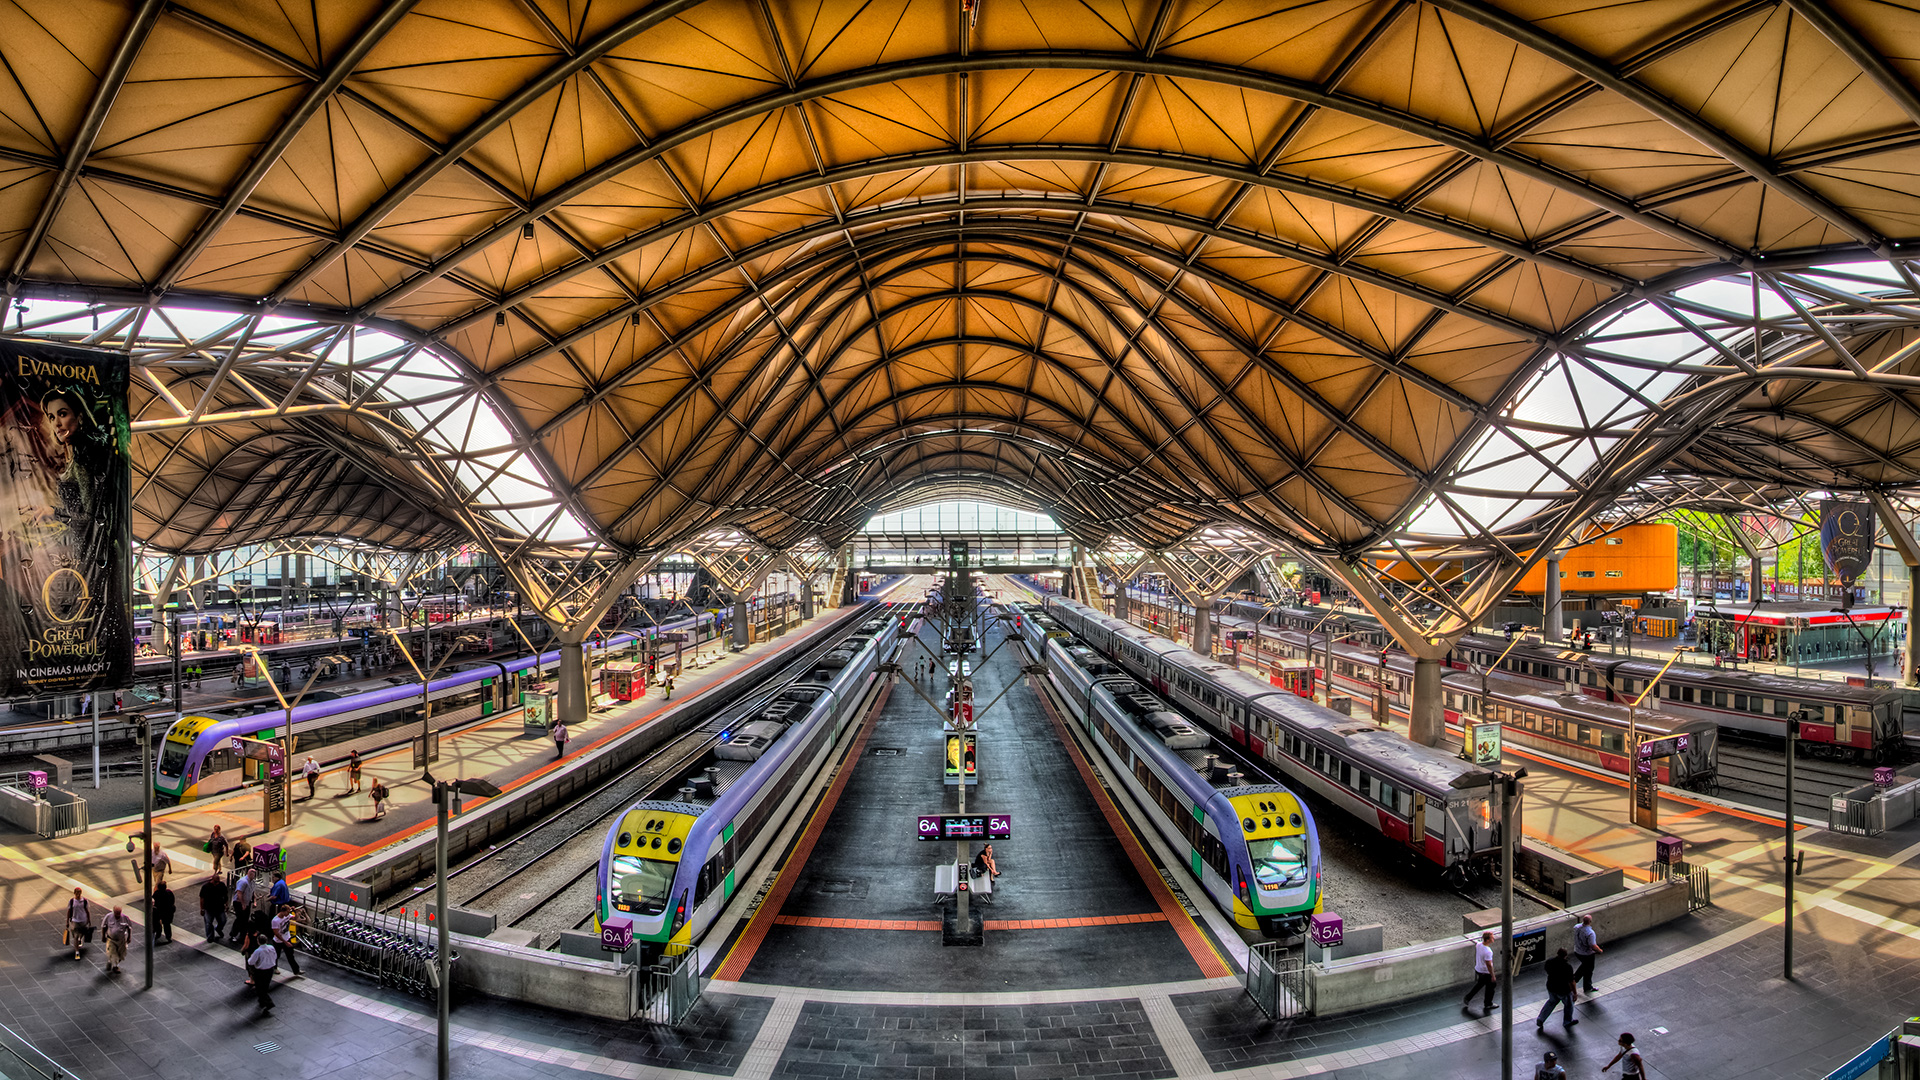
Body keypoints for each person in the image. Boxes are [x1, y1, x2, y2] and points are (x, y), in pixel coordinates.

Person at [1536, 947, 1578, 1030]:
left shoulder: (1550, 962)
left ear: (1557, 953)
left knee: (1551, 1002)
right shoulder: (1567, 967)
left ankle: (1540, 1019)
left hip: (1551, 986)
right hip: (1563, 990)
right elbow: (1571, 982)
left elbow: (1547, 970)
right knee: (1569, 1005)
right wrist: (1575, 993)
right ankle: (1567, 1021)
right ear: (1565, 956)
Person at [1462, 930, 1497, 1015]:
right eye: (1492, 937)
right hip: (1485, 972)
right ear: (1488, 940)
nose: (1494, 938)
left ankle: (1468, 997)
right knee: (1491, 986)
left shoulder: (1478, 945)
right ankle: (1488, 1004)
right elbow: (1489, 964)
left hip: (1478, 970)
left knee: (1480, 984)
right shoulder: (1488, 951)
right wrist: (1492, 975)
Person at [245, 932, 278, 1012]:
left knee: (260, 988)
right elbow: (275, 956)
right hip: (270, 970)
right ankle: (262, 1001)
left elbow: (250, 962)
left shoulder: (258, 951)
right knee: (265, 986)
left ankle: (268, 1002)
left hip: (261, 971)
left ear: (258, 941)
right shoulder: (271, 947)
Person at [1573, 913, 1603, 993]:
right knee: (1588, 970)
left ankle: (1576, 982)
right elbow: (1593, 945)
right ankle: (1581, 984)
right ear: (1590, 921)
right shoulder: (1590, 933)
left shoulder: (1577, 927)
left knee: (1585, 967)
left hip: (1577, 951)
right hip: (1587, 954)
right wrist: (1599, 950)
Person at [270, 904, 301, 977]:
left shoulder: (287, 915)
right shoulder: (275, 920)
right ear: (282, 911)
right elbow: (276, 933)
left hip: (287, 937)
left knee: (290, 955)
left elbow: (295, 918)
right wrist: (285, 942)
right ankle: (274, 967)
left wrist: (295, 911)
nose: (288, 914)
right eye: (287, 912)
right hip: (278, 941)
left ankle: (296, 970)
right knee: (276, 955)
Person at [100, 905, 133, 974]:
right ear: (113, 911)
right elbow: (103, 926)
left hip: (121, 939)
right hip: (111, 939)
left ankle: (111, 961)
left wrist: (129, 937)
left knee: (121, 954)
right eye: (116, 913)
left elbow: (129, 928)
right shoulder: (108, 917)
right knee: (113, 953)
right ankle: (115, 966)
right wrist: (103, 936)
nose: (118, 915)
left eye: (119, 913)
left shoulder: (125, 918)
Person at [199, 874, 229, 942]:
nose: (217, 883)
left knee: (223, 920)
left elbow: (225, 896)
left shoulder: (221, 885)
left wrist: (226, 905)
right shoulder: (206, 887)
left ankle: (218, 928)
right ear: (212, 880)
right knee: (208, 923)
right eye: (215, 882)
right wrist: (202, 909)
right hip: (209, 908)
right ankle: (210, 936)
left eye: (218, 882)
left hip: (219, 907)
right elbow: (202, 898)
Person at [64, 887, 91, 960]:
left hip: (83, 920)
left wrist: (89, 920)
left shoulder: (85, 901)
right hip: (75, 920)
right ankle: (77, 952)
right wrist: (67, 921)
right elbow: (69, 911)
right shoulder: (72, 901)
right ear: (74, 893)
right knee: (75, 936)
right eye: (77, 893)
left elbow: (87, 910)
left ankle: (80, 938)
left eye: (79, 893)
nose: (78, 894)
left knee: (83, 932)